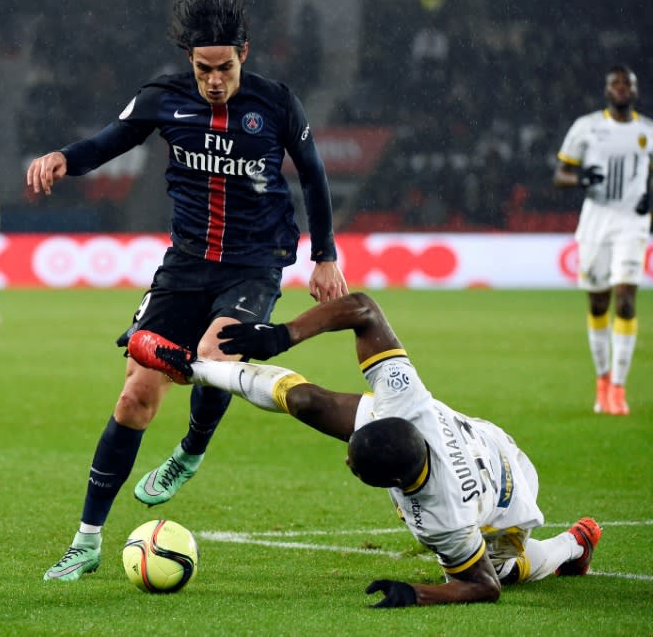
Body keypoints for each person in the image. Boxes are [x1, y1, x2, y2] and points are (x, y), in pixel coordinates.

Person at [26, 0, 348, 582]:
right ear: (189, 62)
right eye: (203, 69)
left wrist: (325, 254)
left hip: (255, 262)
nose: (214, 81)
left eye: (224, 67)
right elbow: (109, 140)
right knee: (135, 397)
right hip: (185, 264)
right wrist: (63, 158)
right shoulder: (161, 97)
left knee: (212, 350)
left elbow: (313, 174)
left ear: (243, 55)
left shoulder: (276, 104)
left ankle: (192, 449)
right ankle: (87, 539)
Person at [127, 292, 602, 608]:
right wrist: (282, 334)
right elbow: (363, 308)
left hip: (509, 493)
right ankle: (193, 369)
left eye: (352, 464)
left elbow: (484, 588)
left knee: (504, 568)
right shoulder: (403, 401)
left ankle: (574, 543)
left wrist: (417, 594)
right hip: (468, 436)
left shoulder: (445, 520)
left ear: (389, 486)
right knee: (309, 402)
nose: (345, 459)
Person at [553, 64, 652, 416]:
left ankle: (619, 390)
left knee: (625, 299)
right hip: (596, 223)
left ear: (636, 91)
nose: (622, 88)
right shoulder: (587, 128)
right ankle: (602, 378)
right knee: (598, 304)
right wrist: (580, 179)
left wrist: (649, 197)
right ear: (607, 91)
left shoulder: (647, 131)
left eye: (629, 82)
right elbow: (560, 174)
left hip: (633, 225)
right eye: (616, 83)